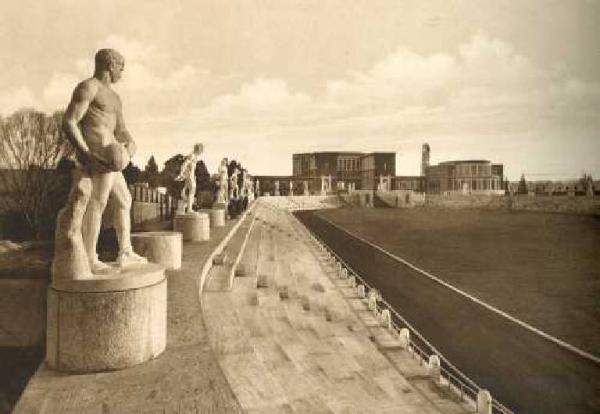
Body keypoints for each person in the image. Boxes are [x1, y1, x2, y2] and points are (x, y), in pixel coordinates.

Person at [62, 48, 146, 273]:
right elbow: (70, 122)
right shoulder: (89, 87)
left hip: (113, 155)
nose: (122, 73)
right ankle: (90, 257)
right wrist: (86, 153)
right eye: (121, 68)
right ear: (110, 65)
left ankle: (125, 252)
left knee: (124, 200)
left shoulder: (115, 98)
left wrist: (131, 142)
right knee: (98, 203)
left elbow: (121, 129)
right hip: (99, 155)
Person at [175, 143, 203, 213]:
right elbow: (184, 164)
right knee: (192, 190)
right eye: (200, 150)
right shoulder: (192, 155)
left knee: (188, 190)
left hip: (190, 175)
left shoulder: (194, 156)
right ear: (198, 149)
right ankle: (189, 209)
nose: (201, 152)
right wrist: (181, 173)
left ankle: (187, 205)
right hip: (189, 175)